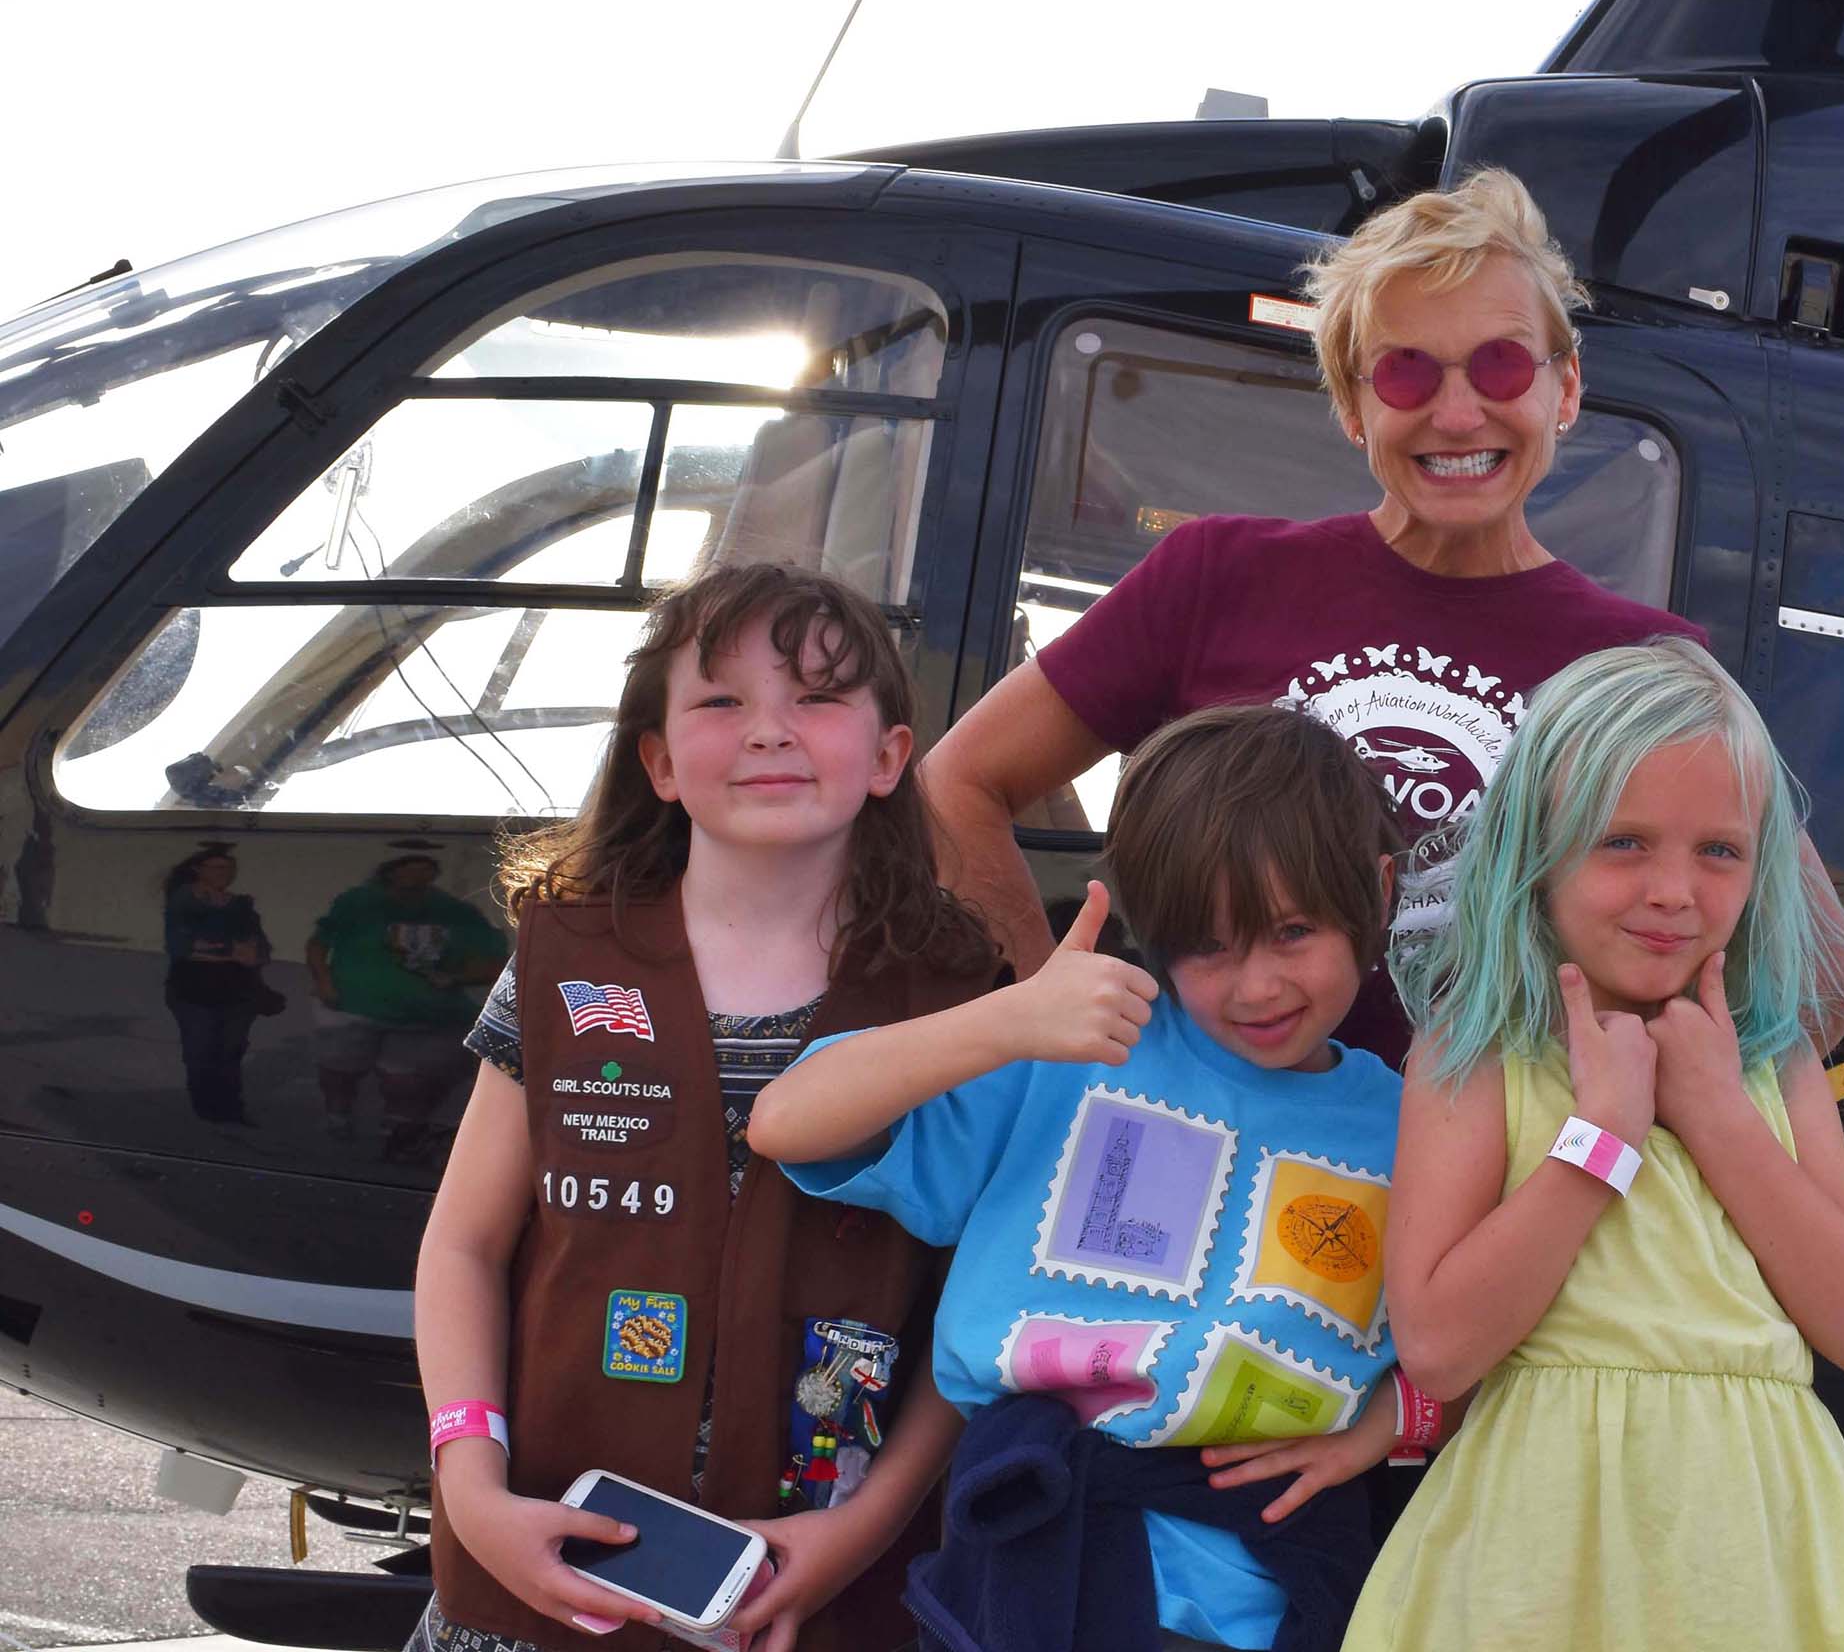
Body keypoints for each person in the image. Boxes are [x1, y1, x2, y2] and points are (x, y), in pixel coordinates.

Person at [918, 168, 1704, 1061]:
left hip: (1481, 1190)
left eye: (1501, 364)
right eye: (1405, 373)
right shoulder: (1219, 574)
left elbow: (1813, 979)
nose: (1456, 412)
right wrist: (1047, 1017)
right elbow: (956, 787)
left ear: (1562, 390)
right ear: (1351, 405)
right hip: (1201, 1156)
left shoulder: (1650, 664)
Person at [411, 564, 1004, 1652]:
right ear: (660, 760)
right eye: (722, 700)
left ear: (888, 757)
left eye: (817, 696)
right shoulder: (568, 961)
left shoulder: (960, 997)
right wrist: (473, 1488)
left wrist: (866, 1531)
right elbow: (464, 1243)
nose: (769, 730)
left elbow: (975, 1314)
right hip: (539, 1570)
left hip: (812, 1589)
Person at [749, 705, 1413, 1652]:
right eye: (1207, 945)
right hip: (1037, 1550)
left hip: (1288, 1583)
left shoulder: (1409, 1120)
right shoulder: (1068, 1049)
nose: (1256, 986)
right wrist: (1010, 1018)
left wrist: (1389, 1419)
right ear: (1149, 927)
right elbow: (787, 1121)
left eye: (1293, 931)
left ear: (1378, 894)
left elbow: (1485, 1333)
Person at [1344, 638, 1844, 1652]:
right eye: (1622, 843)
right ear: (1533, 852)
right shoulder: (1476, 1052)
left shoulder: (1769, 1067)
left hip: (1757, 1563)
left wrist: (1717, 1119)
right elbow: (1437, 1346)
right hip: (1535, 1558)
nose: (1673, 891)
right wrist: (1599, 1141)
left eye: (1718, 852)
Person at [309, 851, 508, 1161]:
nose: (416, 876)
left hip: (423, 1016)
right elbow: (318, 943)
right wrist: (323, 982)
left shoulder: (456, 912)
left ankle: (397, 1134)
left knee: (404, 1078)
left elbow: (496, 963)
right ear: (390, 872)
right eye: (408, 869)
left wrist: (455, 977)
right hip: (351, 1006)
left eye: (424, 869)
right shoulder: (357, 903)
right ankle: (337, 1116)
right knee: (340, 1069)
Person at [161, 844, 271, 1124]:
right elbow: (180, 945)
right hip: (194, 990)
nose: (226, 873)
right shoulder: (184, 900)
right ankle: (206, 1109)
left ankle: (230, 1109)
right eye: (218, 868)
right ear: (200, 869)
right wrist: (231, 951)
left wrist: (247, 954)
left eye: (229, 868)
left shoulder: (241, 905)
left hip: (238, 990)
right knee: (200, 1052)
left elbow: (259, 947)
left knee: (230, 1052)